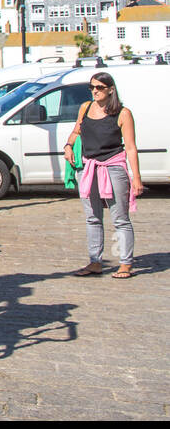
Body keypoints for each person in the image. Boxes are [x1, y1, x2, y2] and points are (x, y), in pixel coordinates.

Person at [65, 72, 144, 279]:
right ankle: (95, 262)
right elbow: (76, 131)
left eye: (99, 87)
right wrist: (68, 146)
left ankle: (125, 263)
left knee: (120, 219)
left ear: (110, 89)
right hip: (89, 168)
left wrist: (136, 178)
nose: (95, 91)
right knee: (92, 217)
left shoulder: (123, 113)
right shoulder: (85, 107)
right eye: (92, 87)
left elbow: (131, 148)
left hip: (113, 168)